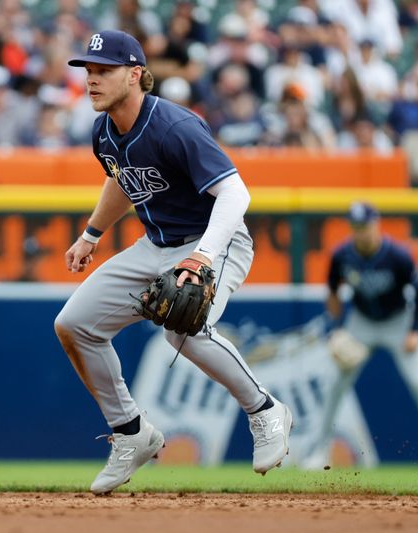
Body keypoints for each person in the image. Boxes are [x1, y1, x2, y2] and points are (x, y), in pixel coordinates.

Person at [54, 30, 293, 495]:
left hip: (217, 241)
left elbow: (235, 193)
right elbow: (124, 181)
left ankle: (265, 410)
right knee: (75, 323)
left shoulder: (175, 126)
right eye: (88, 70)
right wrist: (91, 233)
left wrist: (202, 254)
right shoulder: (104, 131)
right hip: (156, 244)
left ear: (137, 74)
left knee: (183, 328)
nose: (92, 80)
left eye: (105, 70)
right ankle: (131, 434)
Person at [302, 202, 418, 473]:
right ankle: (320, 451)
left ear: (375, 224)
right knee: (336, 386)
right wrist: (336, 327)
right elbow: (332, 291)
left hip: (398, 322)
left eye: (365, 226)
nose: (361, 232)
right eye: (355, 227)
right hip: (361, 323)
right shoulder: (343, 255)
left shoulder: (397, 255)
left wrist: (415, 330)